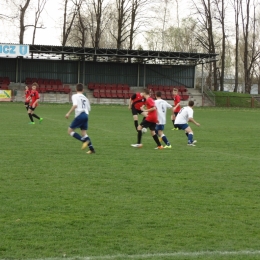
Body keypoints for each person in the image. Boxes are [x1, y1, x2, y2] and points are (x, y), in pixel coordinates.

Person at [65, 83, 95, 154]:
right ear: (83, 90)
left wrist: (68, 113)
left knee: (69, 131)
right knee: (84, 133)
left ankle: (83, 141)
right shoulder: (85, 98)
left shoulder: (75, 96)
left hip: (80, 115)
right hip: (86, 115)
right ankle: (92, 149)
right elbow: (89, 109)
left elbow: (75, 105)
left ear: (76, 89)